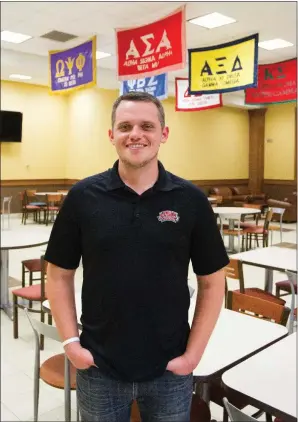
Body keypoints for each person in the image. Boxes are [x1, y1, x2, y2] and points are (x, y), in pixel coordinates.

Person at [45, 91, 229, 422]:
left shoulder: (190, 200)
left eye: (147, 125)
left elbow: (213, 283)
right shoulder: (83, 197)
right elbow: (58, 274)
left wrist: (192, 355)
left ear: (164, 134)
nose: (136, 134)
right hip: (98, 366)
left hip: (170, 370)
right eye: (125, 125)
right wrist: (71, 342)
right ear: (111, 134)